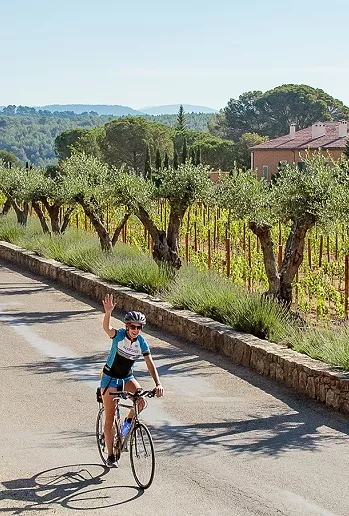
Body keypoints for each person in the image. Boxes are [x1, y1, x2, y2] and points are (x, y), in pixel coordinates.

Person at [100, 293, 164, 468]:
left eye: (139, 327)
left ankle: (125, 429)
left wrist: (158, 384)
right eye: (133, 326)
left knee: (141, 402)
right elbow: (107, 328)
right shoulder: (119, 335)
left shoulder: (141, 342)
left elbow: (150, 364)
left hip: (127, 377)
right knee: (110, 416)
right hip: (110, 379)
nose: (136, 330)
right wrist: (108, 313)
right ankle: (111, 455)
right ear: (127, 327)